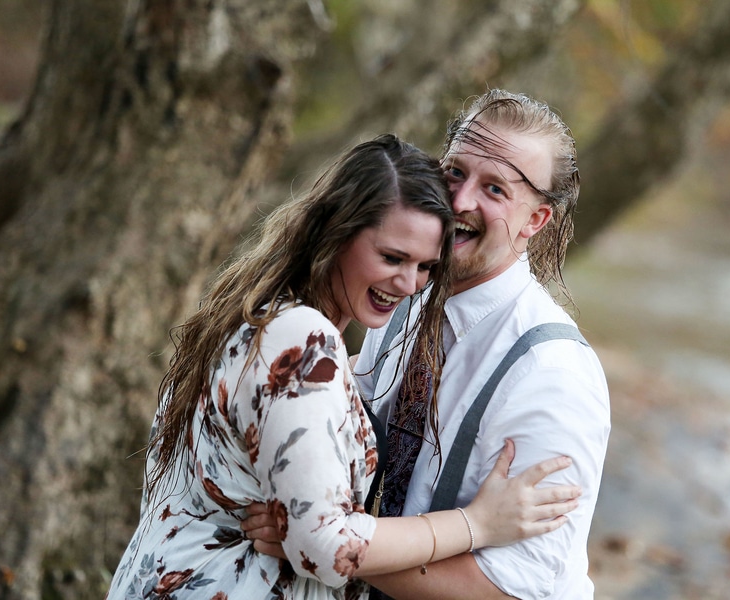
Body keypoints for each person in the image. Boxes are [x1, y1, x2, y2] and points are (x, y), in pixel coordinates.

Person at [106, 134, 581, 600]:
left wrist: (303, 519)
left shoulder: (266, 314)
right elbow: (328, 547)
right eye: (392, 257)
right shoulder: (302, 340)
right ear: (338, 232)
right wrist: (476, 524)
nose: (410, 283)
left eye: (424, 267)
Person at [354, 90, 612, 599]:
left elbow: (511, 589)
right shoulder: (400, 294)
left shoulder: (553, 373)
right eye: (454, 172)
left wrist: (325, 543)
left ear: (535, 221)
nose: (459, 201)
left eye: (494, 188)